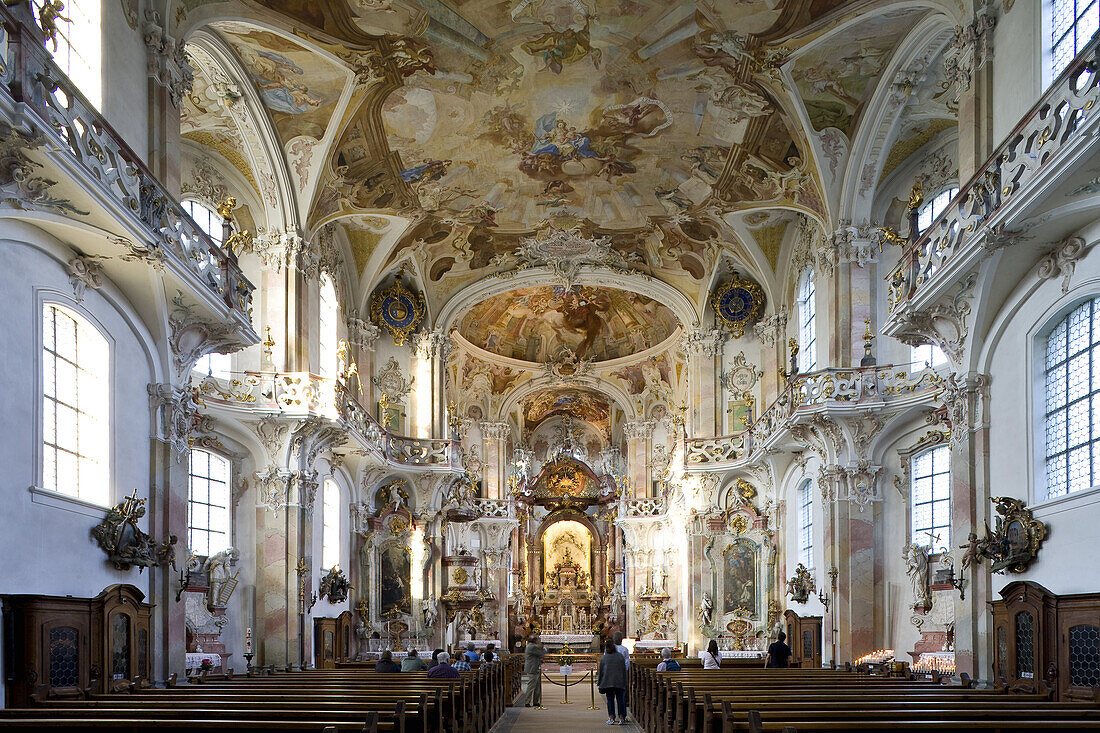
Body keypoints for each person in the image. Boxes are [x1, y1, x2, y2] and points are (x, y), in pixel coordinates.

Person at [597, 640, 628, 725]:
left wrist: (599, 682)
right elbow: (623, 670)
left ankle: (611, 718)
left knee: (610, 700)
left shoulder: (604, 658)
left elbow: (601, 672)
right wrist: (625, 681)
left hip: (608, 682)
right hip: (619, 681)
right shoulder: (620, 656)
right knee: (620, 700)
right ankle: (622, 718)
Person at [522, 634, 547, 707]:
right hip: (532, 668)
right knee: (531, 685)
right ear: (534, 641)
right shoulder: (532, 647)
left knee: (537, 686)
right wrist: (544, 648)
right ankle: (527, 701)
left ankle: (536, 701)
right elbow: (541, 654)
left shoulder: (532, 646)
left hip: (535, 667)